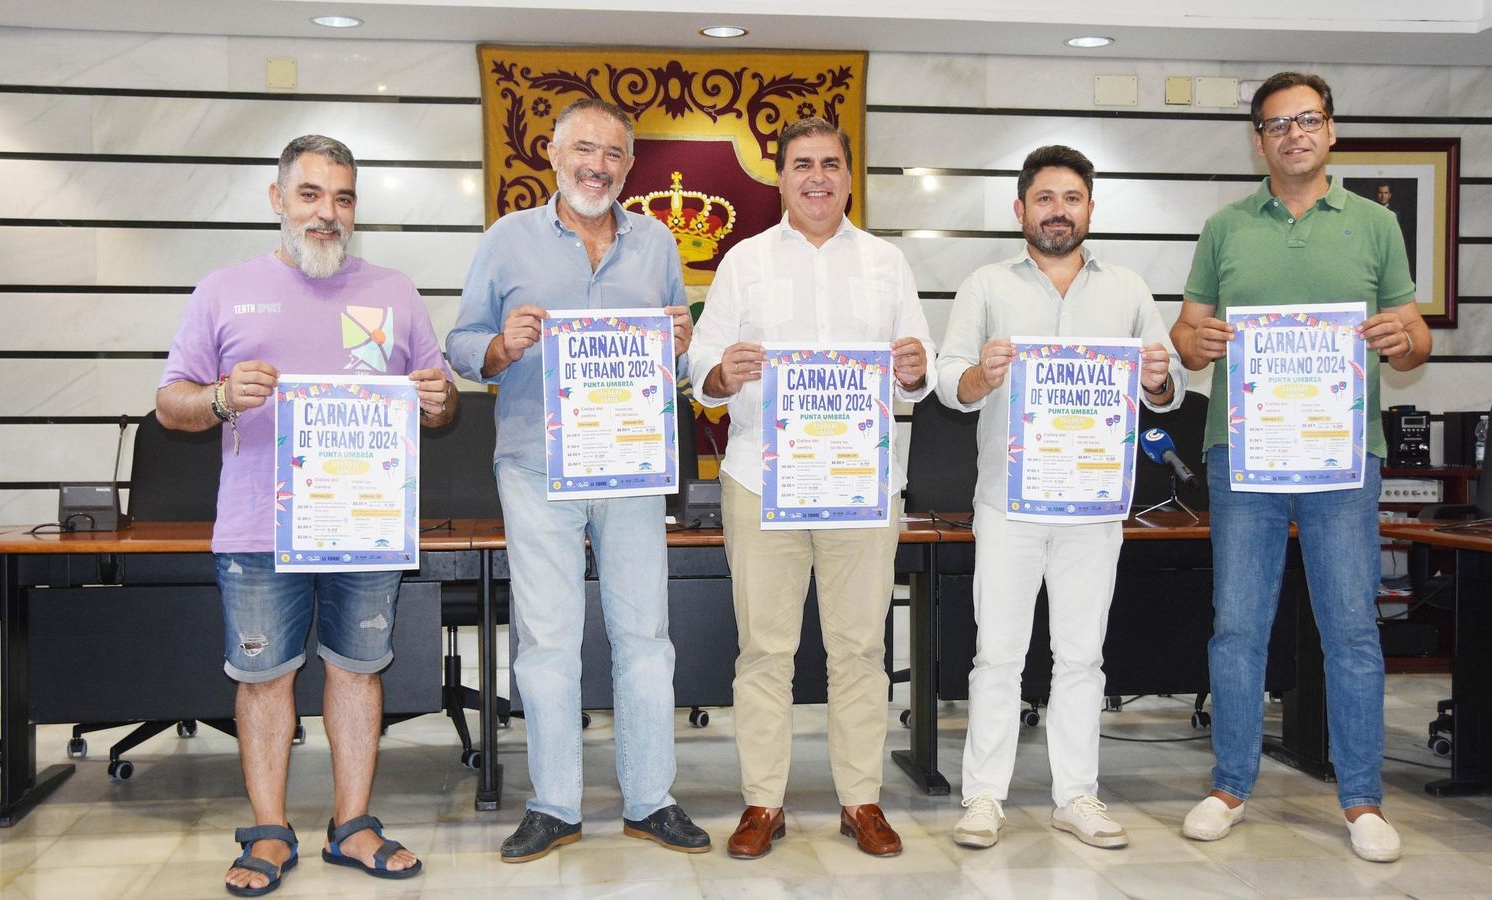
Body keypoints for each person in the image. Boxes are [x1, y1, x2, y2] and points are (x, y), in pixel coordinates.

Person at [157, 134, 456, 896]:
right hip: (260, 527)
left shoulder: (393, 290)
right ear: (278, 200)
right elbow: (171, 402)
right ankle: (267, 831)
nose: (328, 213)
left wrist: (438, 399)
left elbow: (442, 398)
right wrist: (222, 396)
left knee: (357, 674)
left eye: (344, 198)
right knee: (263, 679)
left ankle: (352, 824)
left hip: (364, 524)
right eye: (312, 195)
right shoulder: (224, 290)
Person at [1169, 72, 1431, 863]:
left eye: (1306, 120)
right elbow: (1185, 333)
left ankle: (1362, 799)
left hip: (1343, 459)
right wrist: (1196, 345)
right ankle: (1229, 786)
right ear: (1258, 140)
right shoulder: (1224, 227)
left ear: (1331, 131)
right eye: (1276, 124)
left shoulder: (1377, 225)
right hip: (1243, 456)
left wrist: (1401, 340)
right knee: (1238, 625)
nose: (1292, 134)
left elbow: (1417, 337)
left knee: (1351, 627)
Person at [445, 98, 707, 863]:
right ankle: (554, 804)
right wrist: (500, 345)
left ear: (630, 166)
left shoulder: (656, 242)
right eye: (584, 150)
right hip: (536, 464)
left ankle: (650, 799)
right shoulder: (507, 240)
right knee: (548, 641)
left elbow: (675, 366)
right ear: (554, 156)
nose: (599, 165)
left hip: (629, 466)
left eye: (615, 154)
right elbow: (460, 346)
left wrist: (684, 346)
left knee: (645, 639)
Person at [688, 117, 935, 860]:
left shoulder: (888, 264)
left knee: (859, 649)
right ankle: (763, 803)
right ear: (782, 177)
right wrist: (720, 372)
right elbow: (702, 363)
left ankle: (861, 801)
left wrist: (916, 368)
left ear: (851, 176)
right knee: (764, 649)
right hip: (762, 482)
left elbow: (917, 375)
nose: (817, 177)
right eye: (802, 165)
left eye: (831, 163)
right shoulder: (744, 261)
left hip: (861, 484)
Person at [936, 145, 1183, 851]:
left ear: (1090, 210)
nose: (1058, 211)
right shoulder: (985, 284)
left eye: (1071, 198)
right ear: (1020, 210)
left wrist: (1161, 380)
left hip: (1093, 504)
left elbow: (1164, 393)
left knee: (1082, 656)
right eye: (1044, 198)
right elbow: (950, 382)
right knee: (998, 655)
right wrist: (981, 376)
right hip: (1009, 502)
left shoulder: (1128, 288)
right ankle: (984, 797)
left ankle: (1076, 796)